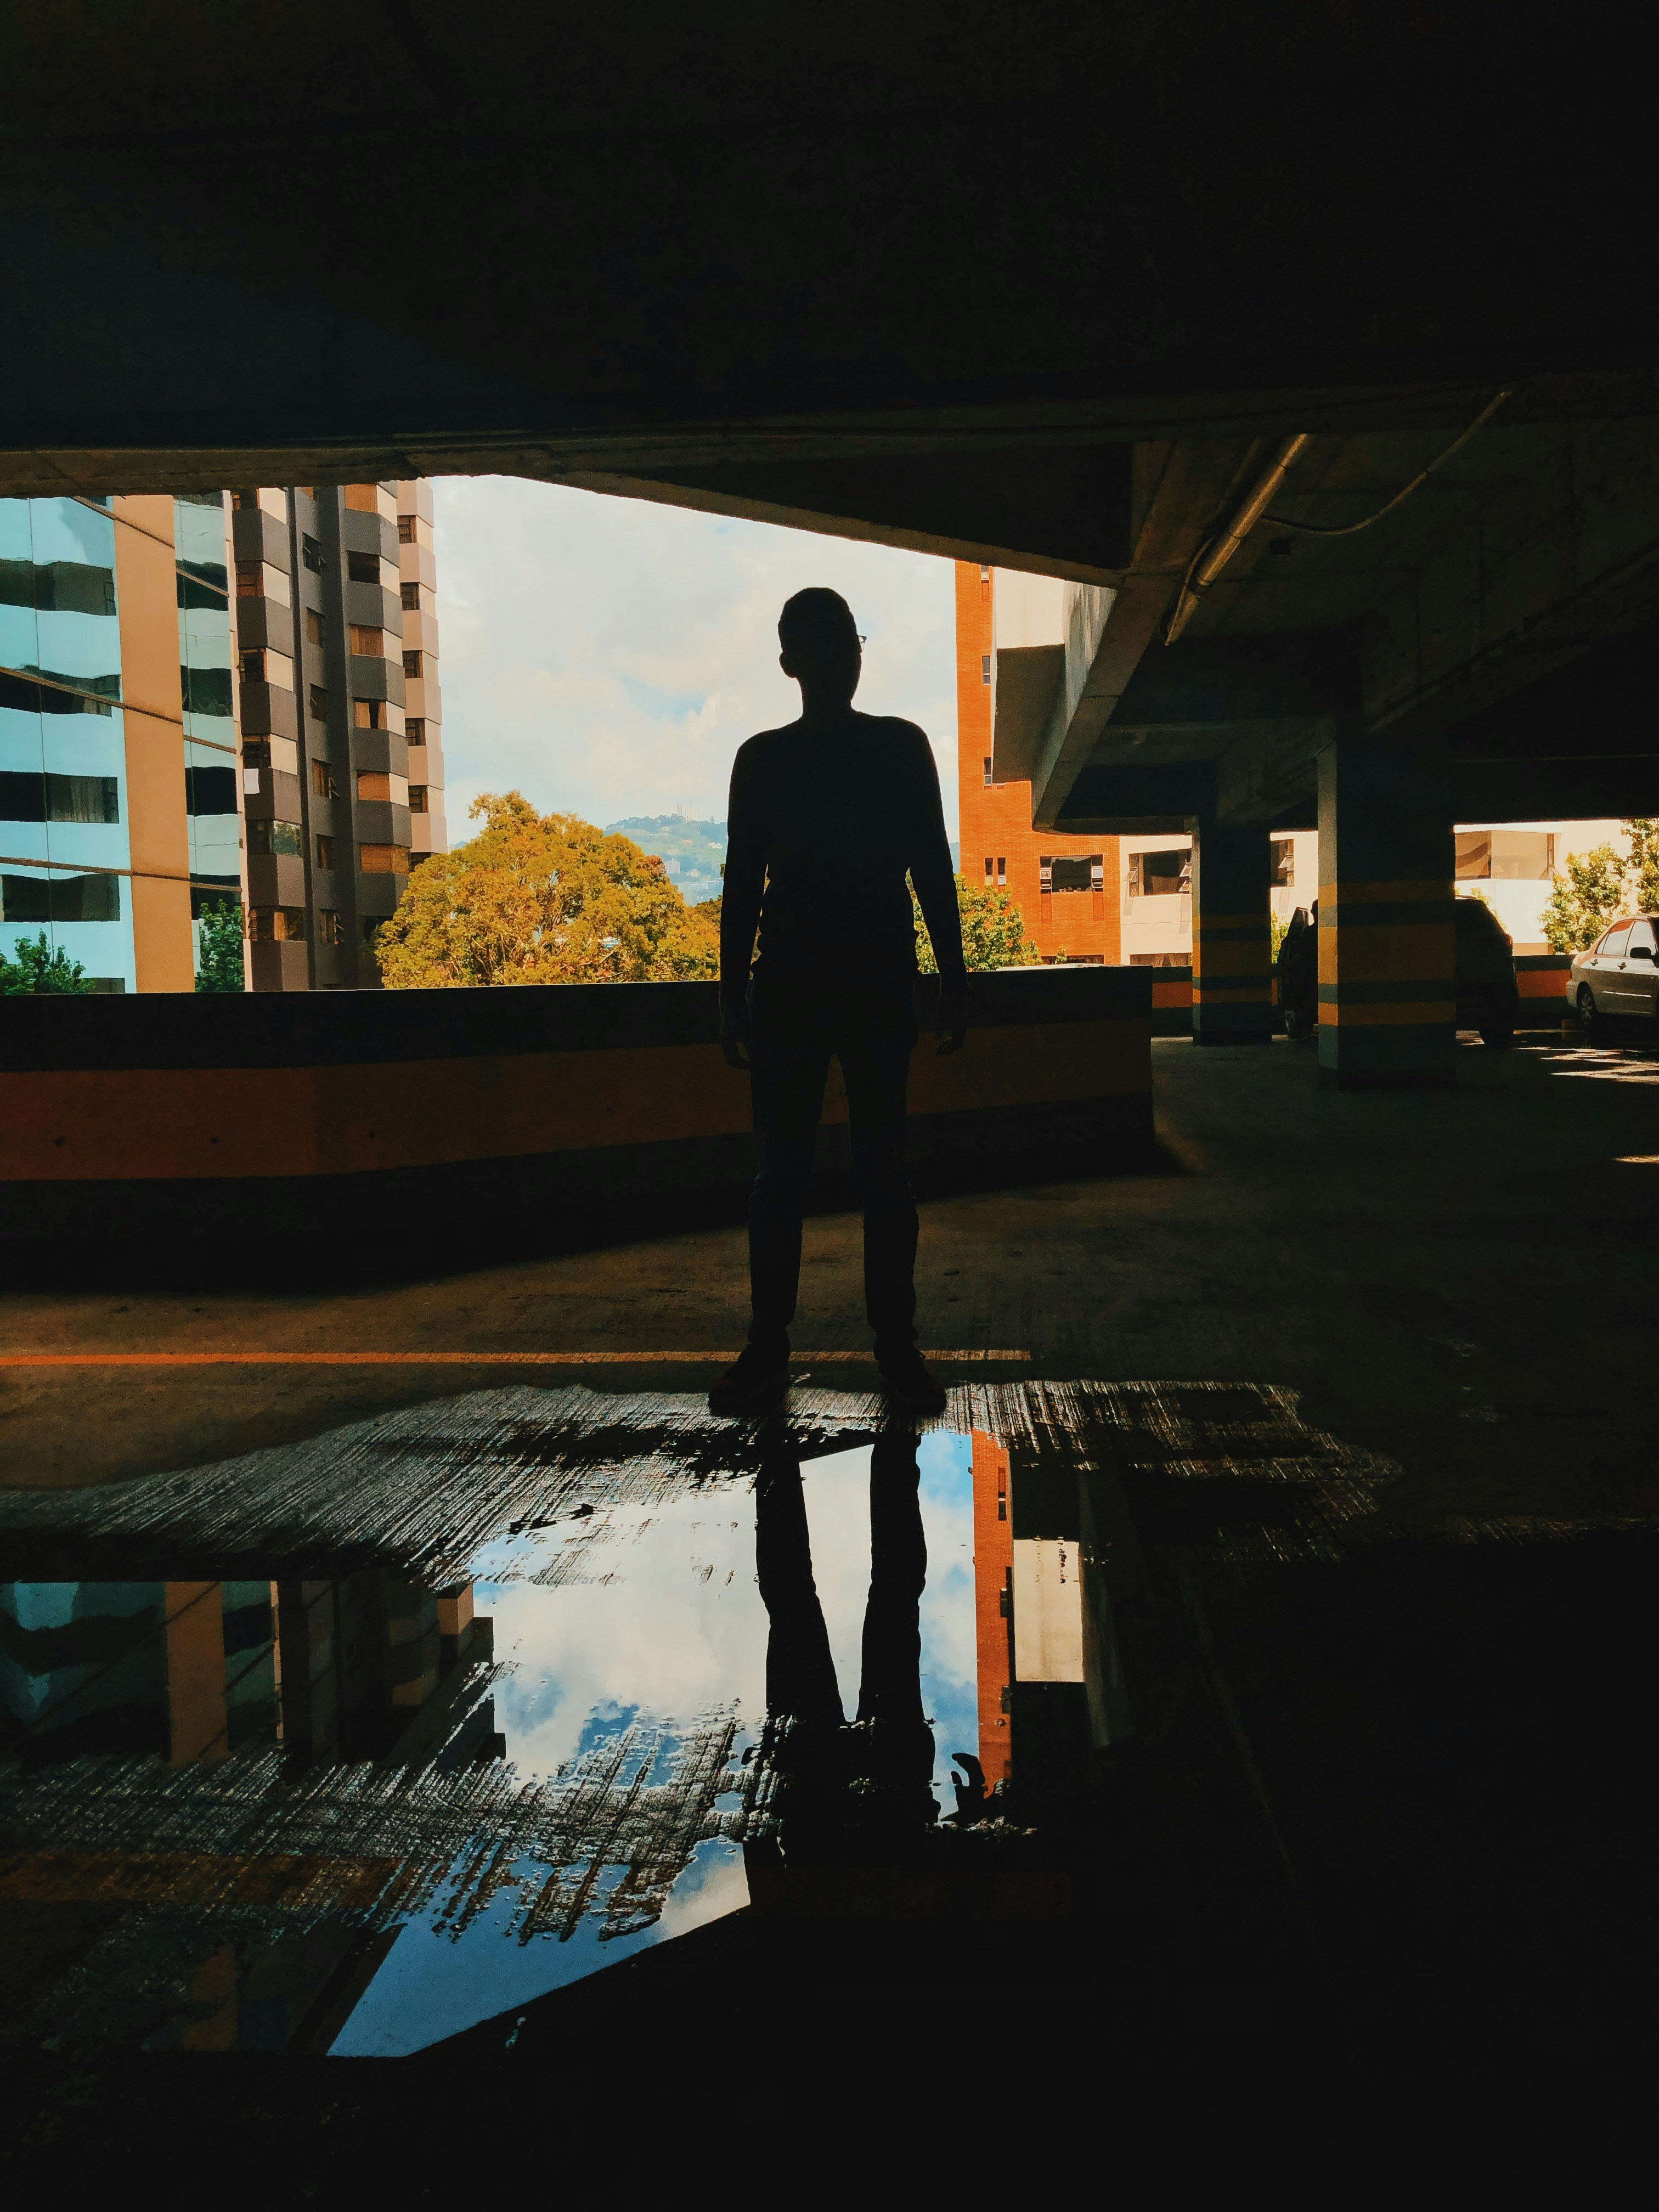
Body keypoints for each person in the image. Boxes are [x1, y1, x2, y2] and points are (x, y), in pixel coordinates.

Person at [709, 587, 968, 1415]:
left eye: (844, 641)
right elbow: (929, 869)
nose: (842, 655)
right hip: (876, 985)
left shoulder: (764, 759)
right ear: (795, 660)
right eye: (832, 643)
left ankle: (769, 1349)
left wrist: (731, 995)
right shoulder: (899, 749)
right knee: (879, 1175)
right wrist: (950, 979)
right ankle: (896, 1351)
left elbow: (744, 889)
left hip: (790, 987)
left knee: (781, 1178)